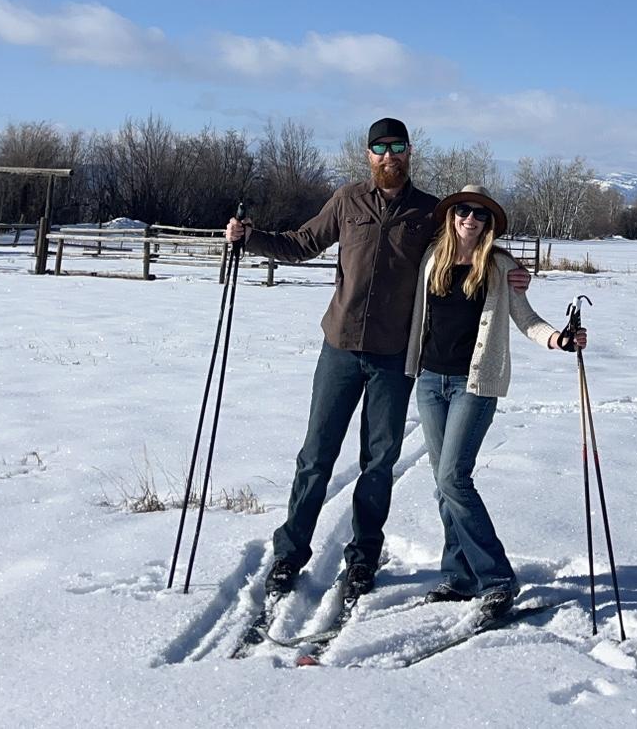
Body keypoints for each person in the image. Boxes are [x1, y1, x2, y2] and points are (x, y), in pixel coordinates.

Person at [226, 119, 529, 605]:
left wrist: (513, 269)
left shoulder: (430, 211)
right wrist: (249, 237)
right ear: (367, 154)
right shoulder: (347, 201)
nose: (389, 156)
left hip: (393, 356)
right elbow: (301, 244)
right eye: (380, 148)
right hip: (340, 347)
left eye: (398, 147)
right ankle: (289, 555)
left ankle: (364, 556)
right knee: (315, 456)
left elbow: (469, 243)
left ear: (410, 152)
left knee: (379, 461)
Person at [405, 183, 586, 615]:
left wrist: (559, 339)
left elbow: (525, 318)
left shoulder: (501, 266)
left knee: (454, 478)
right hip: (430, 381)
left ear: (489, 223)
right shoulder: (432, 257)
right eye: (463, 210)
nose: (470, 218)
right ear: (451, 216)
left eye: (480, 214)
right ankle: (460, 575)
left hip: (475, 385)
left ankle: (498, 578)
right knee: (442, 485)